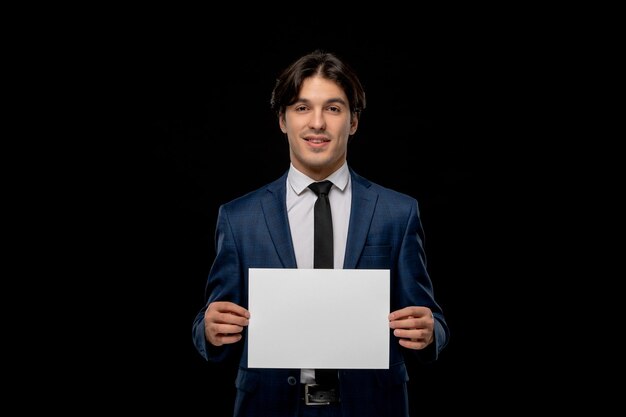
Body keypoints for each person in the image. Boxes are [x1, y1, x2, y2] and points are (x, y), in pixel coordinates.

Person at [191, 49, 450, 417]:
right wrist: (209, 329)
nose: (317, 123)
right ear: (282, 119)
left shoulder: (398, 213)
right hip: (268, 407)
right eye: (301, 107)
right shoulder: (239, 218)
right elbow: (209, 321)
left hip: (373, 407)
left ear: (353, 121)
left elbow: (432, 322)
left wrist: (428, 334)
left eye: (333, 108)